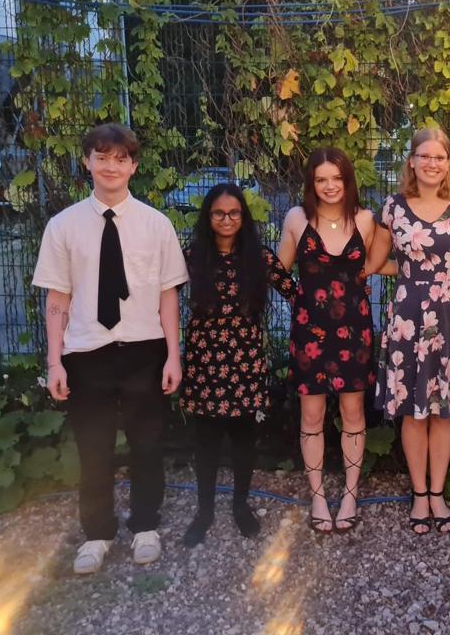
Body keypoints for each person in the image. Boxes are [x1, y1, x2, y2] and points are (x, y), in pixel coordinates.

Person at [33, 123, 188, 575]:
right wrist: (55, 361)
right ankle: (97, 534)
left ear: (133, 166)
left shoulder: (156, 225)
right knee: (94, 448)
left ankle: (145, 527)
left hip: (144, 350)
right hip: (87, 354)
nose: (111, 166)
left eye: (120, 159)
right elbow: (57, 298)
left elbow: (168, 296)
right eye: (102, 157)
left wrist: (173, 355)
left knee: (147, 444)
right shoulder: (63, 226)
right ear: (87, 162)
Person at [368, 127, 450, 534]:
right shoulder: (393, 208)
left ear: (448, 163)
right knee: (415, 411)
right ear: (412, 161)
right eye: (425, 156)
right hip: (409, 318)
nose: (432, 164)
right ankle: (419, 495)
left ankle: (438, 492)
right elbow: (373, 263)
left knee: (445, 408)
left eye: (439, 157)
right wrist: (410, 277)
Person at [180, 183, 295, 547]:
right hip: (205, 359)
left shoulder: (258, 257)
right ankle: (204, 509)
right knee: (206, 438)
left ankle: (240, 504)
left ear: (243, 217)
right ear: (208, 217)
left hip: (245, 359)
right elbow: (159, 293)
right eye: (218, 213)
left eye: (233, 213)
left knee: (244, 436)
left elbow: (295, 292)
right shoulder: (191, 256)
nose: (226, 219)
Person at [277, 148, 377, 534]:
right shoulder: (297, 219)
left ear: (347, 180)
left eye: (336, 178)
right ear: (311, 184)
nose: (330, 186)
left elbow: (382, 262)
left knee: (353, 413)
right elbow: (280, 271)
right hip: (310, 335)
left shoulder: (366, 220)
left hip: (355, 332)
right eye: (321, 179)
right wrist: (301, 301)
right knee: (312, 415)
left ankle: (350, 494)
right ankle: (318, 496)